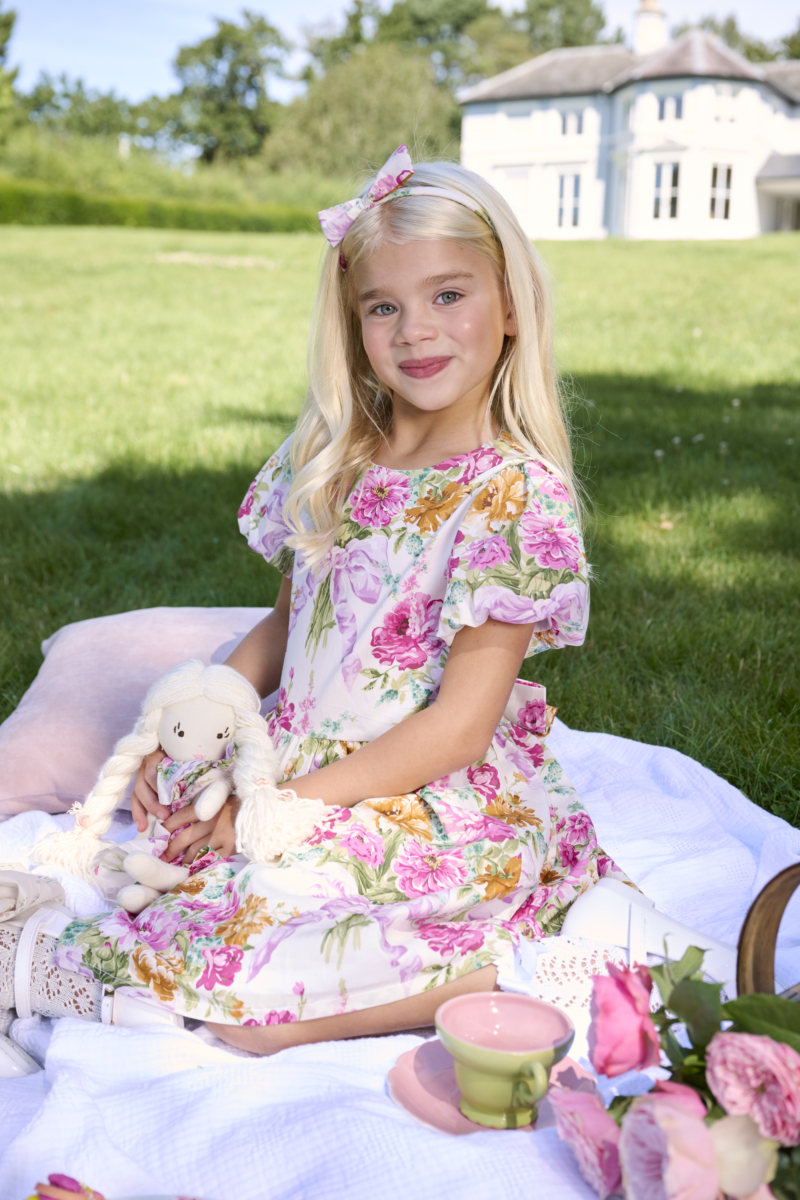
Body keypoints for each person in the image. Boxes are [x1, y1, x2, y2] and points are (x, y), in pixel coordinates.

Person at [2, 147, 631, 1054]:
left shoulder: (512, 496)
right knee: (185, 834)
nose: (416, 330)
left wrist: (282, 810)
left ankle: (481, 974)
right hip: (295, 759)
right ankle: (165, 965)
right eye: (385, 306)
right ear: (354, 324)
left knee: (270, 932)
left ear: (510, 310)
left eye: (449, 295)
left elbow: (456, 728)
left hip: (423, 787)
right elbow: (291, 628)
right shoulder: (339, 457)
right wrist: (194, 721)